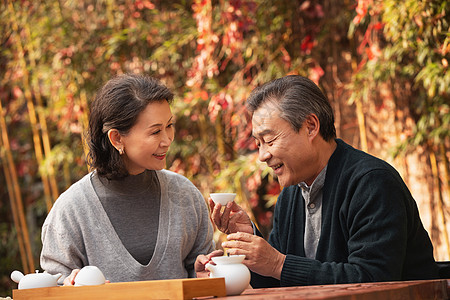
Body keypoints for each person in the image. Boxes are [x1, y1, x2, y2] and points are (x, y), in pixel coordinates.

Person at [199, 75, 439, 287]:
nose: (262, 155)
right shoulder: (290, 195)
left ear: (311, 126)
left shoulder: (372, 182)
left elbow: (373, 279)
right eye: (258, 144)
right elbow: (278, 282)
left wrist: (278, 263)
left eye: (269, 140)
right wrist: (249, 242)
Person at [40, 74, 219, 285]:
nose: (167, 140)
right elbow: (51, 287)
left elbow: (204, 277)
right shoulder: (72, 210)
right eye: (155, 132)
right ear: (117, 138)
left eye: (169, 126)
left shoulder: (184, 195)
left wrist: (203, 275)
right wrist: (70, 288)